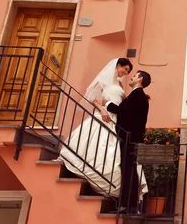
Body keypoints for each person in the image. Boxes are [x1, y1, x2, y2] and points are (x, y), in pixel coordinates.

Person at [58, 58, 147, 198]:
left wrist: (140, 98)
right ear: (118, 66)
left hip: (116, 119)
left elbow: (124, 104)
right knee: (94, 143)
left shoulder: (119, 84)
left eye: (129, 72)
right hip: (104, 115)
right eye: (125, 69)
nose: (126, 73)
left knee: (114, 153)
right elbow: (91, 96)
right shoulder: (103, 80)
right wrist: (102, 110)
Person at [106, 69, 151, 213]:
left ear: (140, 80)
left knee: (128, 171)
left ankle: (126, 205)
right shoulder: (137, 95)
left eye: (134, 76)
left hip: (130, 137)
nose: (131, 78)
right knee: (129, 170)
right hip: (131, 137)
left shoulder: (138, 95)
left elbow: (125, 112)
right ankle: (129, 204)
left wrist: (108, 105)